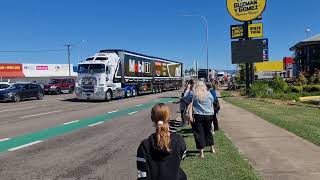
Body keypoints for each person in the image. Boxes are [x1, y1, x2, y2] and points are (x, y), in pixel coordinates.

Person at [136, 103, 187, 180]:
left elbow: (142, 174)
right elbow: (182, 157)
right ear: (168, 118)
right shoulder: (179, 140)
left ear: (152, 118)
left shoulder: (145, 145)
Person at [186, 80, 215, 158]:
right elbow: (212, 102)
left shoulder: (195, 95)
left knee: (199, 133)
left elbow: (187, 100)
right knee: (208, 132)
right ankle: (212, 148)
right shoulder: (209, 94)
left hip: (198, 115)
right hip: (209, 115)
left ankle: (201, 152)